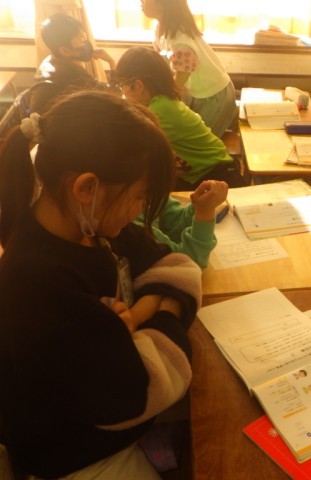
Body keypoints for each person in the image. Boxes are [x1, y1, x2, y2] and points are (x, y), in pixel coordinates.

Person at [0, 90, 202, 479]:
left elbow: (180, 268)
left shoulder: (92, 228)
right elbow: (137, 393)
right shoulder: (36, 281)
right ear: (86, 188)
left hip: (115, 429)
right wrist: (165, 309)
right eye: (140, 196)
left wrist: (137, 317)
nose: (140, 209)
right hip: (75, 459)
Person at [115, 46, 245, 189]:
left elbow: (132, 149)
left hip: (217, 175)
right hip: (209, 169)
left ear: (138, 86)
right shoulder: (163, 100)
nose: (123, 93)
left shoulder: (159, 110)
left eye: (122, 86)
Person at [141, 0, 237, 138]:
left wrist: (161, 101)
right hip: (199, 93)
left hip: (213, 95)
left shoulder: (180, 38)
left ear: (163, 4)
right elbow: (162, 63)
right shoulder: (161, 29)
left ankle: (231, 117)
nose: (141, 1)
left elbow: (181, 78)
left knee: (202, 139)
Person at [30, 13, 118, 115]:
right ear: (65, 51)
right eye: (81, 39)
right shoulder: (73, 73)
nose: (85, 43)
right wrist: (111, 62)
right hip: (54, 123)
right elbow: (114, 96)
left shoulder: (48, 61)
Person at [148, 180, 228, 269]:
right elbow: (188, 265)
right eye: (139, 197)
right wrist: (205, 211)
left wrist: (197, 207)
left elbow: (173, 224)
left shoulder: (149, 189)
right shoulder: (138, 230)